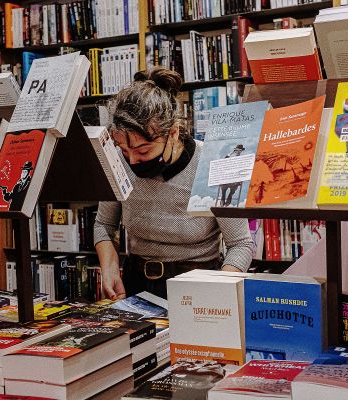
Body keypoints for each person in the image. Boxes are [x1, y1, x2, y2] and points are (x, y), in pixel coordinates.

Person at [94, 67, 253, 300]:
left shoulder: (214, 162)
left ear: (174, 133)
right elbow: (103, 224)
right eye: (124, 150)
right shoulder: (119, 161)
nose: (132, 160)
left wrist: (219, 294)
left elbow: (240, 245)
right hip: (134, 284)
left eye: (143, 150)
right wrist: (109, 269)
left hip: (199, 285)